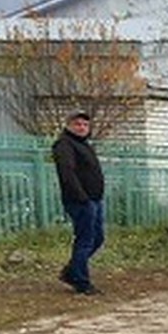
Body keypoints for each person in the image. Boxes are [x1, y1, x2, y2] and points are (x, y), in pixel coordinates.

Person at [51, 110, 105, 295]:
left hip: (94, 199)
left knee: (97, 238)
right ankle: (81, 282)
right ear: (68, 125)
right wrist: (82, 197)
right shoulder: (64, 145)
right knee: (85, 240)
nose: (82, 127)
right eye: (77, 124)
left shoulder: (84, 145)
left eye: (85, 124)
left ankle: (72, 271)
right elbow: (67, 174)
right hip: (81, 201)